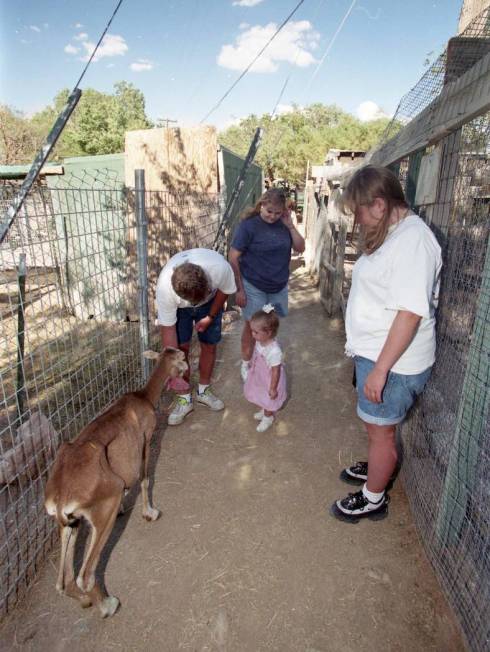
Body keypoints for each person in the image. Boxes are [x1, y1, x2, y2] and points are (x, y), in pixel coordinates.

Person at [332, 164, 442, 522]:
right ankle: (378, 465)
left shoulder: (414, 241)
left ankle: (373, 497)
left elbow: (409, 314)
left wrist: (380, 370)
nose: (359, 220)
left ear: (379, 204)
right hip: (378, 355)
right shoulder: (394, 232)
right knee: (377, 428)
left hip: (392, 363)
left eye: (359, 211)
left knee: (382, 434)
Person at [229, 188, 305, 384]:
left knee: (269, 327)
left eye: (277, 213)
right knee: (252, 327)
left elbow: (300, 247)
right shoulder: (249, 226)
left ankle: (266, 361)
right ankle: (246, 363)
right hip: (254, 286)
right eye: (269, 211)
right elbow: (233, 257)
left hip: (278, 287)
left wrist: (289, 226)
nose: (272, 216)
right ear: (262, 205)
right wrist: (239, 288)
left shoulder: (284, 224)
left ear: (283, 211)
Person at [155, 248, 236, 425]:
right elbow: (168, 335)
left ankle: (203, 392)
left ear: (208, 283)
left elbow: (225, 290)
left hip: (210, 304)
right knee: (180, 350)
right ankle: (184, 400)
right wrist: (174, 375)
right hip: (179, 309)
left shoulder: (220, 268)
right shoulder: (165, 290)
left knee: (209, 344)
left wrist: (210, 316)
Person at [243, 305, 287, 432]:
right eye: (252, 331)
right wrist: (251, 365)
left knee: (269, 398)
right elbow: (256, 355)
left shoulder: (274, 351)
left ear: (268, 333)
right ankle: (264, 410)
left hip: (270, 380)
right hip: (260, 376)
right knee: (260, 394)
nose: (252, 334)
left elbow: (275, 371)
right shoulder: (260, 341)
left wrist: (273, 388)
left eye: (256, 332)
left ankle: (268, 418)